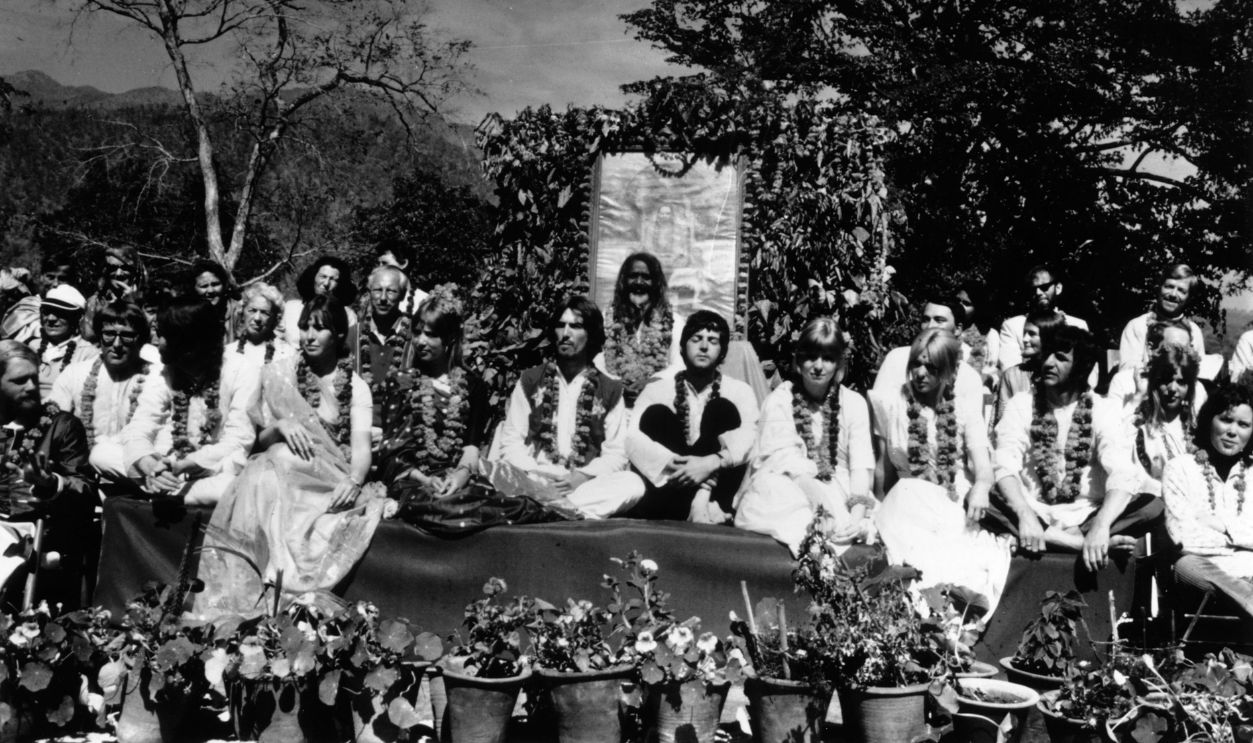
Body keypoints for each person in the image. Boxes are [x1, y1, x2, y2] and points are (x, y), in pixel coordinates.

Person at [193, 295, 386, 618]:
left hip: (328, 478)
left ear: (338, 336)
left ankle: (283, 591)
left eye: (320, 329)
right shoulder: (280, 375)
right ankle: (248, 594)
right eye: (305, 328)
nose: (309, 336)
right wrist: (282, 425)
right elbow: (259, 443)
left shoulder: (354, 387)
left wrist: (354, 480)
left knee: (274, 465)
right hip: (278, 474)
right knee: (271, 462)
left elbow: (361, 449)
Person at [991, 326, 1162, 571]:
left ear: (1081, 366)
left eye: (1060, 357)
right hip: (1032, 510)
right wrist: (1026, 515)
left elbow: (1122, 473)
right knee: (983, 497)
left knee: (1152, 506)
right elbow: (1004, 463)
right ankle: (1076, 544)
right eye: (1048, 354)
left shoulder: (1103, 409)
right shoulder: (1021, 404)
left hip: (1086, 515)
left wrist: (1101, 526)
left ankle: (1060, 538)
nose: (1048, 363)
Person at [869, 329, 1011, 616]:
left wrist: (981, 488)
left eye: (931, 368)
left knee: (952, 565)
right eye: (915, 365)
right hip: (905, 503)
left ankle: (943, 626)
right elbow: (883, 471)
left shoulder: (963, 409)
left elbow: (983, 470)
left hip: (949, 501)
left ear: (948, 371)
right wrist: (872, 509)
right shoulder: (894, 404)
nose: (920, 374)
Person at [484, 296, 645, 519]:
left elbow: (616, 454)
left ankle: (552, 511)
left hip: (583, 484)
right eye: (561, 325)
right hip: (534, 478)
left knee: (633, 484)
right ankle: (565, 512)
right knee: (495, 472)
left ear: (590, 334)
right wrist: (537, 476)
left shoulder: (610, 388)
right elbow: (511, 442)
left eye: (576, 326)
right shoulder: (531, 380)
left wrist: (581, 477)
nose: (566, 333)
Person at [734, 317, 876, 555]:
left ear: (839, 364)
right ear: (799, 361)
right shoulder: (780, 399)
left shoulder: (854, 403)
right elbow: (781, 462)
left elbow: (861, 467)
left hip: (841, 489)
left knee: (849, 528)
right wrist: (821, 505)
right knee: (777, 490)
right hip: (791, 485)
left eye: (828, 358)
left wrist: (856, 517)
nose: (818, 366)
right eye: (811, 357)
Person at [121, 297, 259, 505]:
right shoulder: (164, 371)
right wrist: (151, 466)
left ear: (188, 343)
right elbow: (140, 425)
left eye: (164, 335)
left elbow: (238, 441)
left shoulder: (241, 370)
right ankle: (167, 488)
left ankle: (166, 492)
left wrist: (185, 465)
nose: (156, 341)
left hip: (212, 469)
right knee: (101, 454)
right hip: (164, 463)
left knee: (226, 489)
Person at [625, 310, 759, 523]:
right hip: (669, 489)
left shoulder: (740, 391)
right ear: (682, 347)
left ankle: (701, 500)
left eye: (713, 341)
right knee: (656, 415)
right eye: (696, 339)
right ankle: (691, 505)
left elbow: (751, 437)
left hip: (716, 494)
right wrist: (680, 467)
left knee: (722, 409)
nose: (704, 346)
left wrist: (712, 462)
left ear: (723, 352)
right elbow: (632, 438)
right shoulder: (656, 389)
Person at [0, 341, 96, 608]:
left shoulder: (62, 426)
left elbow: (86, 491)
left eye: (33, 378)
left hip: (43, 538)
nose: (32, 387)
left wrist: (50, 483)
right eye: (20, 381)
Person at [381, 288, 491, 503]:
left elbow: (471, 446)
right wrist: (424, 480)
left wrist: (460, 476)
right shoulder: (402, 381)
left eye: (430, 334)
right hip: (412, 480)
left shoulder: (473, 386)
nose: (420, 341)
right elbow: (391, 452)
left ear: (449, 338)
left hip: (459, 477)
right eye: (417, 332)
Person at [1161, 381, 1253, 619]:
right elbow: (1183, 537)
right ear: (1209, 420)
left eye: (1243, 424)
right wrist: (1244, 542)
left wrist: (1225, 528)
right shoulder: (1179, 469)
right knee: (1185, 566)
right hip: (1205, 574)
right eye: (1225, 419)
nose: (1233, 431)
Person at [48, 301, 157, 481]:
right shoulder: (75, 373)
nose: (117, 344)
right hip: (85, 478)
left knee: (103, 455)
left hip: (138, 469)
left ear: (141, 339)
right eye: (108, 334)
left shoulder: (156, 377)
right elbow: (53, 423)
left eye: (127, 336)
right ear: (99, 336)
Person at [872, 295, 986, 416]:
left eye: (939, 320)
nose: (930, 326)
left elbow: (972, 427)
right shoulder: (897, 358)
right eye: (925, 320)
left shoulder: (968, 376)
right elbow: (878, 412)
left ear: (958, 329)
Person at [1124, 344, 1202, 497]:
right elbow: (1136, 476)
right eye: (1166, 381)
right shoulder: (1140, 427)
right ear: (1155, 383)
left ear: (1189, 388)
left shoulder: (1195, 426)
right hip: (1156, 500)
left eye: (1181, 382)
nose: (1173, 388)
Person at [598, 252, 675, 405]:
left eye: (646, 277)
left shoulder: (673, 321)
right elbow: (597, 361)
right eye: (633, 276)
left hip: (656, 405)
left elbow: (678, 365)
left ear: (656, 283)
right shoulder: (606, 318)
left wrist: (651, 382)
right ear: (623, 281)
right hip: (614, 403)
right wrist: (617, 385)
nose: (639, 282)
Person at [997, 265, 1089, 370]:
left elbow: (1084, 367)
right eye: (1033, 289)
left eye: (1044, 287)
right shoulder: (1013, 326)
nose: (1038, 293)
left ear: (1058, 288)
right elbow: (1010, 369)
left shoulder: (1077, 325)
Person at [357, 265, 414, 424]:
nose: (382, 297)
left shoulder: (416, 337)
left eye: (391, 291)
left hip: (401, 433)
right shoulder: (352, 336)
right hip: (356, 429)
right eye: (377, 290)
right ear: (369, 293)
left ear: (402, 296)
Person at [1119, 263, 1206, 367]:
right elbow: (1127, 372)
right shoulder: (1138, 326)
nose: (1173, 294)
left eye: (1181, 291)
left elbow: (1199, 371)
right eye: (1169, 287)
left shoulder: (1194, 332)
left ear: (1189, 298)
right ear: (1159, 288)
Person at [1106, 319, 1198, 410]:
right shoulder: (1124, 383)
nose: (1178, 355)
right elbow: (1111, 423)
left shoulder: (1195, 386)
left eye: (1185, 350)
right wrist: (1137, 399)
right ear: (1151, 349)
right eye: (1171, 349)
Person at [995, 309, 1065, 423]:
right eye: (1024, 333)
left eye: (1032, 334)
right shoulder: (1012, 375)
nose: (1024, 339)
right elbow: (1003, 420)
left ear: (1048, 337)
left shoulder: (1063, 373)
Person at [31, 284, 99, 398]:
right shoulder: (32, 346)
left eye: (60, 313)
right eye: (47, 312)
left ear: (77, 318)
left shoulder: (89, 354)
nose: (51, 319)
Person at [281, 256, 359, 349]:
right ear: (313, 277)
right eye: (323, 276)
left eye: (333, 279)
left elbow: (349, 350)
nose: (326, 283)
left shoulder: (348, 315)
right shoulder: (290, 308)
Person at [81, 245, 145, 343]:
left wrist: (132, 304)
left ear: (134, 271)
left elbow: (146, 336)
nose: (119, 274)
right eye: (113, 268)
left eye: (125, 268)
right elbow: (89, 338)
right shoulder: (95, 302)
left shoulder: (147, 301)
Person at [231, 282, 295, 374]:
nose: (257, 318)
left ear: (275, 318)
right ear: (242, 313)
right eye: (252, 310)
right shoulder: (228, 353)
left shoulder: (287, 354)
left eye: (264, 313)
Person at [956, 282, 999, 388]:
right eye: (958, 301)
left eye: (966, 303)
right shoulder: (947, 329)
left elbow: (992, 371)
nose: (960, 306)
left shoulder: (989, 334)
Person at [186, 260, 238, 341]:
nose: (210, 291)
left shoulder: (237, 311)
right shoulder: (185, 315)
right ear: (193, 289)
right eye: (204, 286)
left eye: (215, 284)